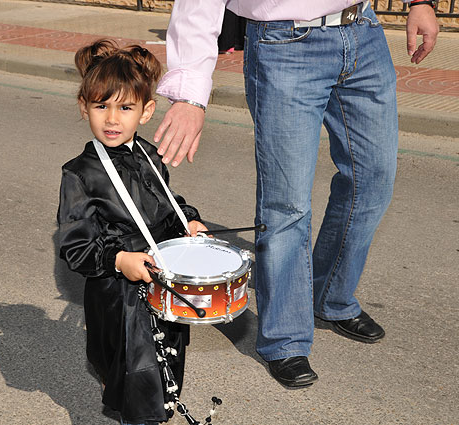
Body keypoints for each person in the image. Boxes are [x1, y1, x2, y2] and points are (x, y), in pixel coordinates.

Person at [154, 0, 439, 388]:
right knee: (286, 206)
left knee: (373, 179)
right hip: (285, 44)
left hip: (364, 32)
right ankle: (284, 338)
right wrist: (190, 93)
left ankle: (330, 297)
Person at [57, 39, 207, 424]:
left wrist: (187, 220)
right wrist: (119, 259)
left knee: (166, 359)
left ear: (146, 111)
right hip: (118, 293)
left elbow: (166, 202)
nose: (112, 119)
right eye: (101, 106)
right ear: (83, 107)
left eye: (125, 108)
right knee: (137, 378)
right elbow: (76, 246)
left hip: (161, 278)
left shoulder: (148, 155)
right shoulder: (79, 173)